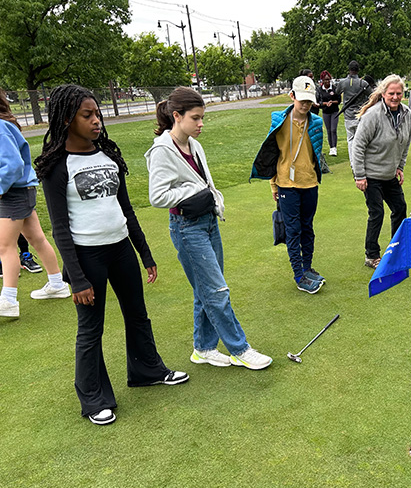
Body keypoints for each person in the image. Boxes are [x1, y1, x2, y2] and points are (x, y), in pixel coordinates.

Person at [35, 84, 188, 426]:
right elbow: (60, 227)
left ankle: (147, 370)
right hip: (87, 257)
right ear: (66, 119)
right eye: (87, 115)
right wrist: (75, 277)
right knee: (91, 329)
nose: (96, 121)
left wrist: (145, 253)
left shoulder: (108, 156)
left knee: (137, 314)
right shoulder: (59, 166)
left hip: (120, 249)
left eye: (98, 114)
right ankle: (93, 399)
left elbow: (127, 211)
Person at [146, 86, 273, 370]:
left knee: (206, 288)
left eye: (203, 117)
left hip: (208, 221)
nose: (201, 123)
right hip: (186, 227)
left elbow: (206, 183)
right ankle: (239, 348)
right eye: (196, 118)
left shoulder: (195, 144)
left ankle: (203, 348)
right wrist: (192, 194)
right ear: (177, 116)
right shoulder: (161, 151)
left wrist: (212, 198)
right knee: (216, 291)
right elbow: (157, 196)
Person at [1, 90, 70, 319]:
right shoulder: (4, 124)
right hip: (21, 190)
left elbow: (12, 165)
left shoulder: (0, 126)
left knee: (5, 246)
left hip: (12, 192)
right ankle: (57, 283)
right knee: (36, 238)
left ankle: (8, 300)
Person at [252, 76, 325, 291]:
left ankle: (307, 267)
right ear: (292, 96)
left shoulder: (317, 122)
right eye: (302, 100)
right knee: (293, 230)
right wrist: (273, 185)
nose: (305, 105)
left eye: (309, 101)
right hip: (286, 184)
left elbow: (316, 154)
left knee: (307, 228)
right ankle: (299, 275)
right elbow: (273, 154)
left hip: (310, 183)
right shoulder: (279, 120)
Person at [349, 74, 411, 269]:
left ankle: (398, 247)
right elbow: (357, 146)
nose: (395, 97)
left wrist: (400, 167)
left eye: (399, 93)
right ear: (383, 93)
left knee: (400, 207)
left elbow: (405, 142)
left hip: (390, 174)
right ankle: (372, 254)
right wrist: (359, 175)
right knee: (377, 212)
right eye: (391, 93)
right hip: (371, 175)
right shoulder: (373, 115)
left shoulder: (406, 113)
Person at [336, 60, 372, 150]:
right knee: (361, 140)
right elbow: (371, 95)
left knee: (351, 140)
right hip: (360, 115)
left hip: (348, 115)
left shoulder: (343, 82)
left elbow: (337, 92)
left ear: (349, 69)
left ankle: (353, 162)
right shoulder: (363, 83)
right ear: (358, 70)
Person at [316, 70, 340, 156]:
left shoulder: (334, 88)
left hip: (334, 111)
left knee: (333, 129)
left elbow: (338, 100)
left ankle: (334, 148)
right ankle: (331, 148)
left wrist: (332, 102)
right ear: (322, 80)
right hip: (325, 112)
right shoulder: (319, 90)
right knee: (329, 130)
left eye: (328, 79)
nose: (327, 81)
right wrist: (325, 104)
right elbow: (318, 102)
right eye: (325, 80)